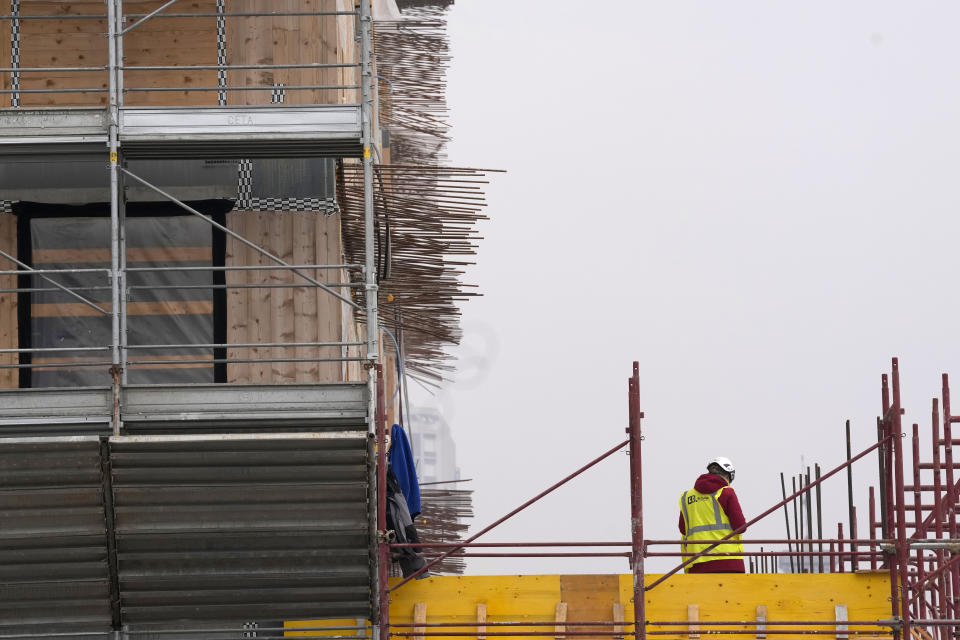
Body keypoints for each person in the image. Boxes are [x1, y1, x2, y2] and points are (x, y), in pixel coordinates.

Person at [678, 456, 746, 573]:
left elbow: (683, 529)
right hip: (728, 561)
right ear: (727, 476)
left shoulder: (686, 497)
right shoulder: (726, 492)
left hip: (697, 561)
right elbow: (740, 527)